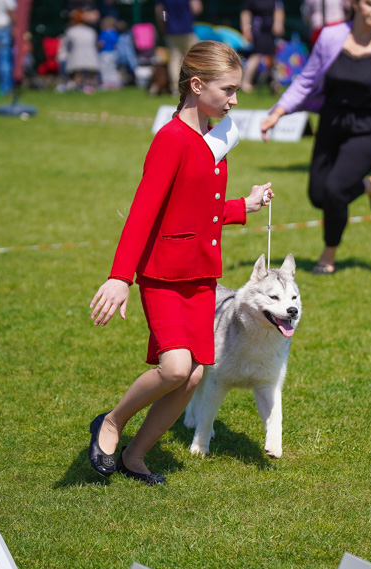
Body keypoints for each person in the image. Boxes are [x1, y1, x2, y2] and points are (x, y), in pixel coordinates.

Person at [87, 41, 274, 485]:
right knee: (174, 368)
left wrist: (243, 206)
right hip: (164, 276)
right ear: (196, 85)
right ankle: (111, 423)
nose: (235, 100)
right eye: (228, 90)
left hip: (202, 278)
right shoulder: (170, 140)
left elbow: (198, 208)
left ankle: (134, 457)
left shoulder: (214, 137)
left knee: (191, 379)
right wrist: (120, 278)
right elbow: (143, 213)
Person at [259, 0, 371, 275]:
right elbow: (306, 80)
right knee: (318, 195)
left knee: (334, 190)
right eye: (369, 3)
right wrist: (278, 113)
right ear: (354, 4)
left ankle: (328, 254)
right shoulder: (331, 36)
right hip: (332, 123)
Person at [155, 0, 203, 95]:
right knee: (192, 59)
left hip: (171, 30)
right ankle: (193, 85)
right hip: (187, 29)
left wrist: (164, 23)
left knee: (174, 60)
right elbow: (196, 9)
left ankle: (176, 88)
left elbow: (160, 12)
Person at [240, 0, 285, 93]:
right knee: (256, 54)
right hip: (258, 30)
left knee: (272, 56)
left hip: (270, 31)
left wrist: (278, 24)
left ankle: (274, 82)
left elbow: (279, 10)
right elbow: (245, 13)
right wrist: (246, 29)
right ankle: (245, 82)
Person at [61, 9, 100, 92]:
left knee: (78, 74)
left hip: (77, 55)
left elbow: (67, 44)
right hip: (90, 55)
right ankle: (89, 87)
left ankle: (78, 87)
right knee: (89, 74)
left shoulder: (71, 31)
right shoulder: (90, 31)